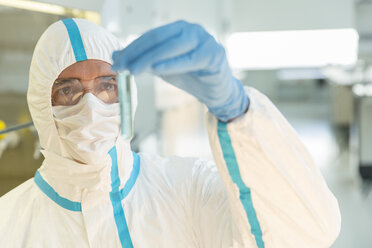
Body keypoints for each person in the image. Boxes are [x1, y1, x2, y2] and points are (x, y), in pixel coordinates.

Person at [0, 18, 340, 248]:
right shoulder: (9, 223)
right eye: (69, 91)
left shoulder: (187, 188)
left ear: (127, 94)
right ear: (43, 106)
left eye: (107, 86)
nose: (91, 107)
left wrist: (240, 115)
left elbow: (304, 235)